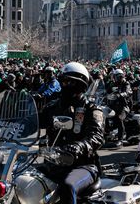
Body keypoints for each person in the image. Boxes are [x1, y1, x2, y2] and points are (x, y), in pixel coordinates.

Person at [42, 62, 104, 204]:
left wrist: (79, 146)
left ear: (81, 85)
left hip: (83, 165)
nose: (65, 85)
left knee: (68, 185)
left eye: (69, 82)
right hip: (54, 163)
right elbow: (33, 123)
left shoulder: (91, 109)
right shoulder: (52, 107)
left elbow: (97, 136)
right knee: (23, 180)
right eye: (63, 81)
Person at [106, 68, 132, 145]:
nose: (114, 78)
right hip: (113, 105)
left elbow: (127, 92)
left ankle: (120, 139)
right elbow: (107, 90)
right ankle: (106, 134)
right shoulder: (113, 83)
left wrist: (120, 95)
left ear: (120, 76)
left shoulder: (126, 83)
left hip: (124, 106)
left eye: (115, 76)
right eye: (113, 76)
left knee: (119, 118)